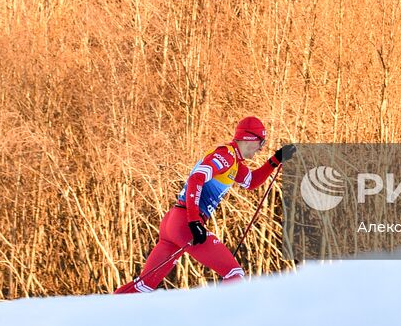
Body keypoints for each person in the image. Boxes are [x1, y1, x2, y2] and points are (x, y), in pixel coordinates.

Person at [114, 116, 296, 293]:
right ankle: (219, 321)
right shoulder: (225, 156)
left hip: (173, 222)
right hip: (185, 222)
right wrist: (194, 222)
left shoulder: (235, 163)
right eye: (261, 143)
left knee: (144, 286)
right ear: (250, 138)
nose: (260, 149)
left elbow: (251, 182)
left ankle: (106, 315)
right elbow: (197, 178)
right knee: (234, 275)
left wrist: (276, 159)